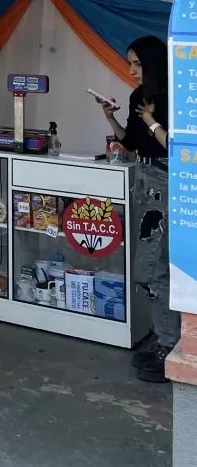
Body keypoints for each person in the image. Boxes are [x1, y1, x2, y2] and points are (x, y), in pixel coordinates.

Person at [99, 35, 173, 382]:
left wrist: (152, 121)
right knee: (149, 266)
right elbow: (128, 146)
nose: (131, 70)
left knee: (152, 267)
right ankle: (164, 337)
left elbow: (178, 149)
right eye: (129, 63)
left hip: (166, 183)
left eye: (137, 63)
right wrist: (110, 118)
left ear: (154, 63)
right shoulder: (137, 98)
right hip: (144, 180)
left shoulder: (174, 96)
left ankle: (170, 344)